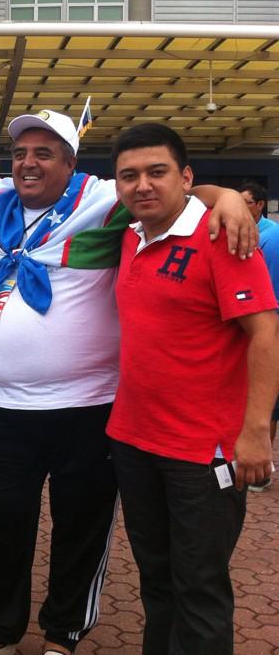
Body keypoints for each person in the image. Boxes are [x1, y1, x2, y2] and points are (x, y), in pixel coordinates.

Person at [0, 108, 258, 655]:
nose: (29, 163)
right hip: (2, 406)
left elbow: (171, 186)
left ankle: (63, 634)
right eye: (20, 154)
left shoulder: (104, 198)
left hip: (87, 408)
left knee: (79, 531)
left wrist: (225, 195)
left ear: (71, 161)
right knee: (1, 526)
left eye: (44, 153)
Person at [108, 123, 279, 655]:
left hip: (203, 453)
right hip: (135, 441)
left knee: (200, 588)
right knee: (157, 582)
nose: (143, 185)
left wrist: (255, 432)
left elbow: (267, 333)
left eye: (157, 172)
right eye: (129, 176)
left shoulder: (220, 238)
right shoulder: (130, 235)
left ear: (184, 175)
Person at [238, 181, 279, 479]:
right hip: (250, 321)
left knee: (265, 397)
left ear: (260, 205)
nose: (241, 205)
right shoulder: (239, 228)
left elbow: (270, 292)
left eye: (246, 202)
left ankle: (262, 469)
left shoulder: (271, 237)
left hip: (265, 323)